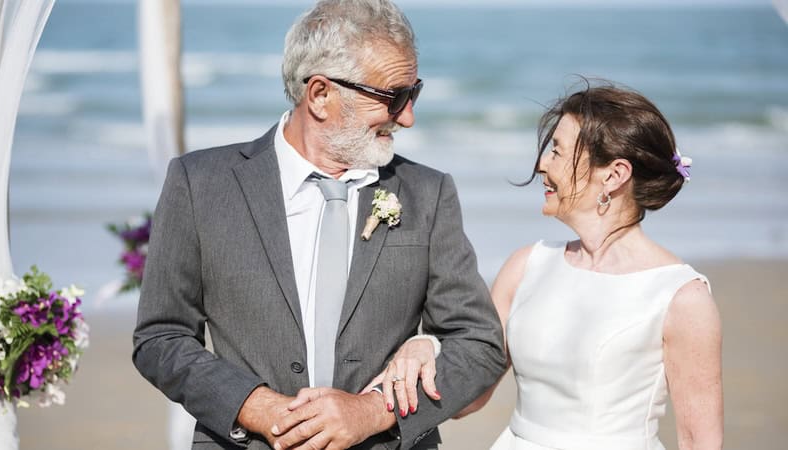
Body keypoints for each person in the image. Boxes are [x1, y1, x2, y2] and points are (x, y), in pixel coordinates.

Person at [132, 1, 506, 449]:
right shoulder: (200, 184)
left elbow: (479, 344)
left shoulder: (428, 193)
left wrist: (372, 411)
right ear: (321, 95)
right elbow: (160, 336)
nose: (407, 116)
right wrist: (257, 407)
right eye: (395, 97)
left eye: (414, 93)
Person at [374, 82, 724, 450]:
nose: (542, 164)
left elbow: (698, 441)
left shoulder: (682, 298)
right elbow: (470, 396)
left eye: (557, 150)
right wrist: (426, 345)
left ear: (614, 175)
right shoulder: (526, 266)